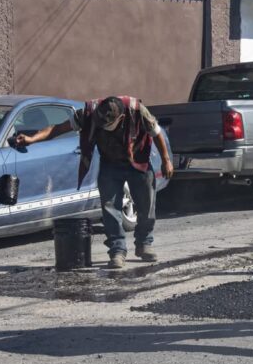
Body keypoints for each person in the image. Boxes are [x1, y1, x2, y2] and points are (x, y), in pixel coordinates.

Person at [14, 96, 174, 270]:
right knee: (110, 208)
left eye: (108, 125)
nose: (103, 127)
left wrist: (166, 160)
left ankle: (144, 244)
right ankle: (117, 251)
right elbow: (57, 128)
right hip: (110, 164)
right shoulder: (89, 113)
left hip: (138, 162)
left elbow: (156, 133)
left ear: (121, 118)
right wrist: (31, 139)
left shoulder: (136, 110)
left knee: (146, 205)